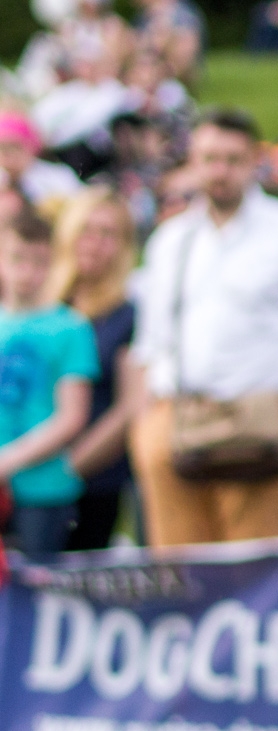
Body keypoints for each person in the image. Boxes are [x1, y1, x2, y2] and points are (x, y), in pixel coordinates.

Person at [129, 108, 278, 548]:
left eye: (233, 159)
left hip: (262, 421)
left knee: (254, 567)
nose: (220, 171)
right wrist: (145, 431)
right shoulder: (170, 240)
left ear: (255, 162)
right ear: (192, 162)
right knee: (177, 567)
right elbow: (149, 347)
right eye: (209, 158)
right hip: (176, 418)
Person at [0, 212, 98, 556]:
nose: (26, 273)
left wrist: (7, 461)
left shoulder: (70, 327)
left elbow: (72, 417)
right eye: (16, 259)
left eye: (38, 262)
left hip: (44, 490)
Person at [47, 189, 139, 551]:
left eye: (108, 233)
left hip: (94, 475)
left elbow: (130, 406)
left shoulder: (127, 314)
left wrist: (68, 469)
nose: (95, 243)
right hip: (26, 470)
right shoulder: (42, 306)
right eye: (86, 229)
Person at [0, 112, 83, 209]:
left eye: (14, 148)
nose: (7, 156)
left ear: (31, 145)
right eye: (2, 149)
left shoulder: (57, 176)